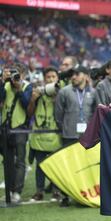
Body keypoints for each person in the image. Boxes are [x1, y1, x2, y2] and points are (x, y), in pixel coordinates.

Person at [55, 65, 96, 206]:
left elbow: (96, 113)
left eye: (77, 74)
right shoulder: (64, 92)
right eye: (72, 75)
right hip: (69, 135)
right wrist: (65, 128)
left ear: (85, 76)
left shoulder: (93, 92)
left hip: (87, 137)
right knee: (68, 167)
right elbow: (58, 115)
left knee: (84, 167)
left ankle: (82, 196)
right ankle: (65, 196)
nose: (73, 77)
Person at [27, 67, 63, 202]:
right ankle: (39, 191)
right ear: (44, 79)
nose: (51, 79)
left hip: (55, 137)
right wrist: (32, 99)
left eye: (54, 76)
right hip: (39, 137)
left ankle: (56, 191)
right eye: (48, 77)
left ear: (57, 78)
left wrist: (57, 98)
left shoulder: (61, 93)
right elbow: (29, 114)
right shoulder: (38, 93)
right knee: (40, 166)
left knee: (55, 165)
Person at [0, 63, 33, 203]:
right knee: (7, 160)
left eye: (18, 73)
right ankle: (10, 189)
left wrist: (19, 89)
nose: (15, 76)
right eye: (13, 73)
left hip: (20, 128)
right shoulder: (6, 85)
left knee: (20, 160)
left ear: (24, 75)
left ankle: (17, 192)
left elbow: (27, 104)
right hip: (5, 127)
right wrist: (2, 81)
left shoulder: (27, 86)